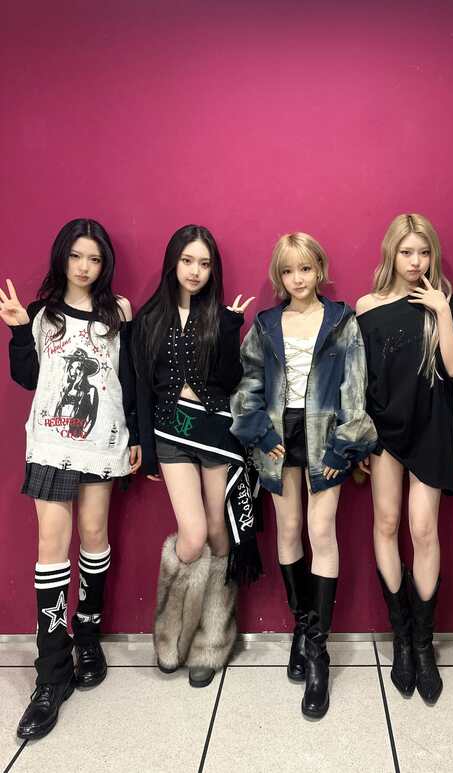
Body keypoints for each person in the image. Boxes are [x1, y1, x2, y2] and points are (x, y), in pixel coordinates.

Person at [1, 218, 140, 740]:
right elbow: (28, 378)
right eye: (77, 256)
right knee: (51, 549)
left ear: (105, 265)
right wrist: (20, 330)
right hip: (51, 444)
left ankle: (88, 635)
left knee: (95, 536)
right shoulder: (43, 314)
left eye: (95, 259)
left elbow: (129, 379)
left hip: (102, 440)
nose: (84, 267)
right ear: (62, 257)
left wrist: (137, 438)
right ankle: (52, 672)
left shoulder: (118, 312)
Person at [231, 232, 376, 719]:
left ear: (319, 269)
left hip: (325, 435)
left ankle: (318, 652)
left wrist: (344, 444)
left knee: (321, 530)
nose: (298, 278)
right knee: (289, 529)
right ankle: (303, 625)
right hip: (278, 435)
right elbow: (248, 382)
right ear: (280, 275)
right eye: (288, 270)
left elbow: (355, 387)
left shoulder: (341, 321)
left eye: (306, 268)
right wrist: (257, 429)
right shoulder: (266, 324)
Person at [133, 224, 260, 689]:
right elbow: (141, 389)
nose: (195, 271)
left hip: (214, 430)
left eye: (204, 264)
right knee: (192, 534)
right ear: (173, 262)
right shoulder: (148, 318)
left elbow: (228, 380)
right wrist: (147, 451)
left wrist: (230, 329)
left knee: (219, 531)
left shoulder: (219, 316)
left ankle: (212, 642)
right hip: (170, 431)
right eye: (188, 260)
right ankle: (171, 636)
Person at [356, 213, 453, 705]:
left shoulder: (444, 301)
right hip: (384, 430)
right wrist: (359, 440)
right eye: (407, 252)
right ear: (391, 253)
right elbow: (359, 378)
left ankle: (424, 645)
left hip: (430, 429)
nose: (416, 261)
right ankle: (401, 638)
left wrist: (442, 311)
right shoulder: (367, 306)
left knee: (424, 530)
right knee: (386, 524)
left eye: (424, 252)